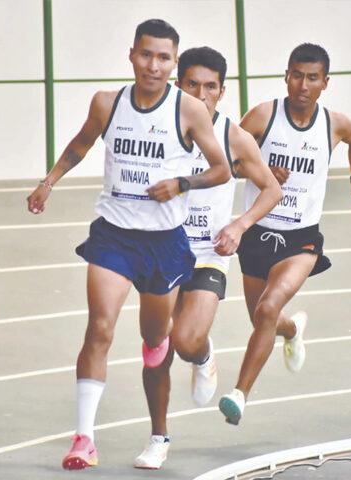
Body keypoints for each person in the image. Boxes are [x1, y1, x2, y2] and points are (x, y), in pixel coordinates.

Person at [25, 19, 231, 470]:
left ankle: (160, 429)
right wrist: (48, 182)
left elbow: (221, 170)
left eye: (162, 58)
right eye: (145, 55)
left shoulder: (189, 111)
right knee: (99, 328)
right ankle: (84, 439)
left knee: (156, 341)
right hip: (114, 235)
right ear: (131, 55)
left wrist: (180, 183)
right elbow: (81, 143)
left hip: (163, 244)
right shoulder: (108, 103)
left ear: (173, 63)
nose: (152, 65)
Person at [133, 46, 282, 470]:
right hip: (160, 250)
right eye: (192, 84)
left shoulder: (234, 136)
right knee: (156, 347)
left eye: (210, 86)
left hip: (206, 254)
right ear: (179, 84)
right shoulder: (157, 126)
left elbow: (271, 189)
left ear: (222, 90)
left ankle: (201, 354)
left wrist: (238, 225)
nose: (201, 93)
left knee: (185, 341)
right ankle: (159, 436)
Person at [218, 43, 351, 425]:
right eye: (296, 75)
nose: (303, 84)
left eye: (312, 78)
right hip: (257, 232)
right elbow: (227, 163)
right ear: (286, 75)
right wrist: (261, 170)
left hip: (300, 237)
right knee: (263, 319)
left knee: (268, 308)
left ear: (325, 83)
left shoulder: (333, 124)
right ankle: (293, 329)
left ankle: (239, 394)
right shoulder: (262, 117)